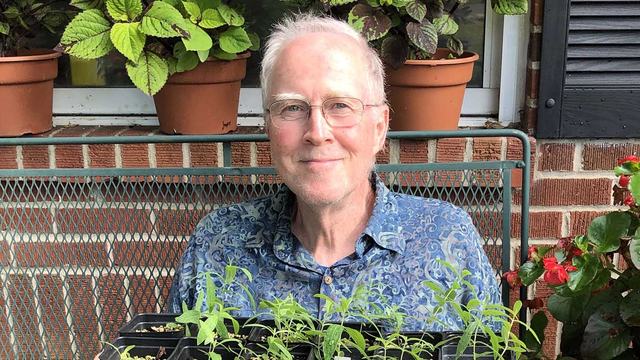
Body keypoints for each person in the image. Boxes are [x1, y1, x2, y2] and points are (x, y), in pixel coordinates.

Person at [167, 13, 501, 331]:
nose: (317, 131)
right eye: (292, 108)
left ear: (380, 127)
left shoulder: (446, 239)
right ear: (268, 127)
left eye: (340, 105)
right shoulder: (218, 242)